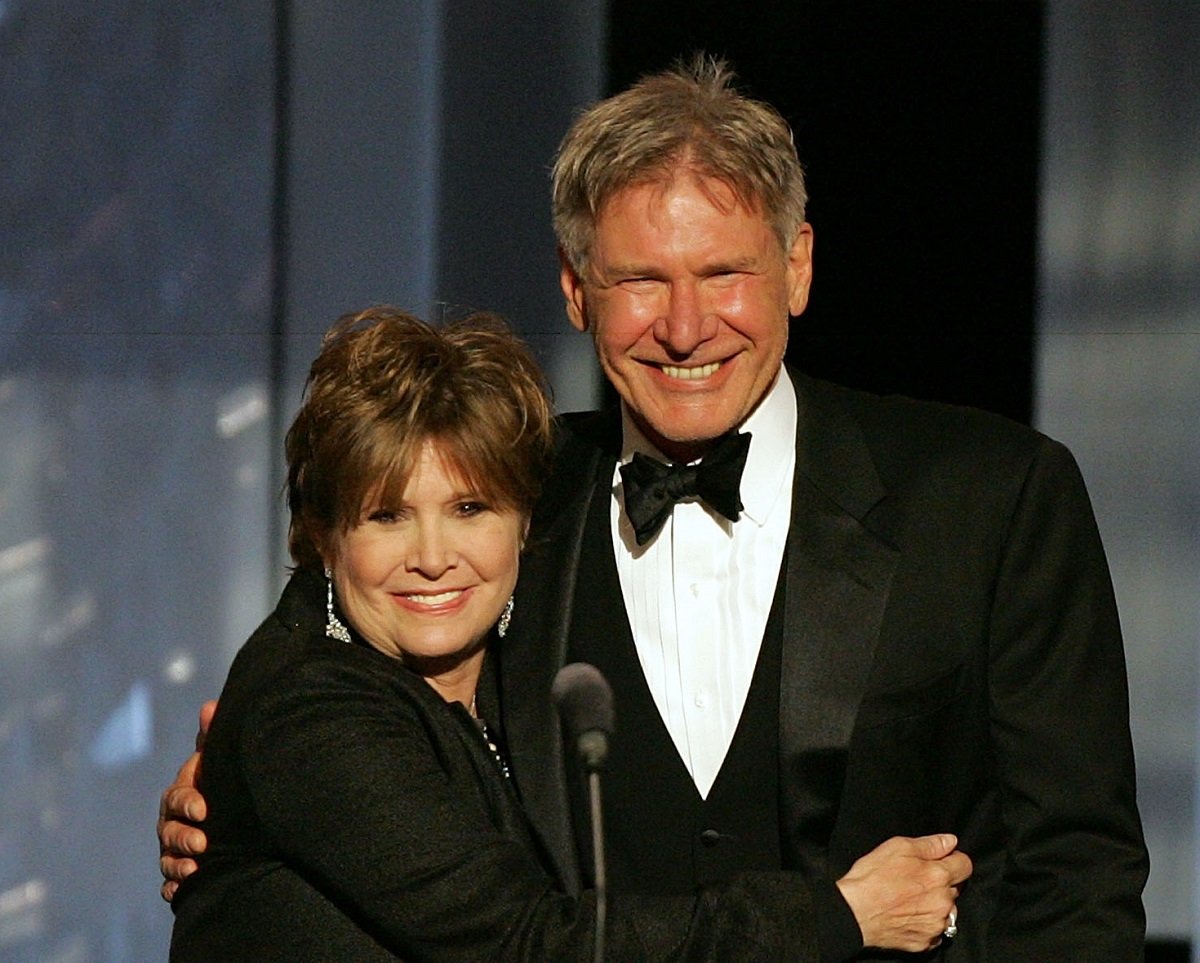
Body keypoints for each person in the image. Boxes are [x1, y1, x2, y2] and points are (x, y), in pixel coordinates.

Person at [162, 56, 1148, 960]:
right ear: (576, 289)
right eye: (640, 280)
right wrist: (230, 792)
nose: (684, 327)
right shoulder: (499, 489)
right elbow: (330, 619)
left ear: (797, 266)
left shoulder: (991, 496)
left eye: (725, 274)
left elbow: (1079, 875)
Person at [167, 305, 968, 961]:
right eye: (387, 516)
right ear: (323, 533)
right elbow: (526, 943)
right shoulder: (309, 704)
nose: (434, 558)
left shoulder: (511, 666)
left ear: (525, 521)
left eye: (469, 508)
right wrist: (840, 914)